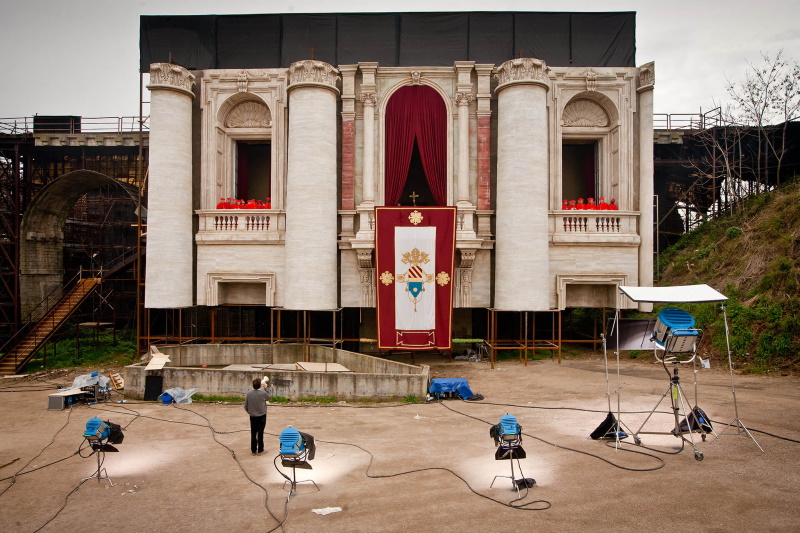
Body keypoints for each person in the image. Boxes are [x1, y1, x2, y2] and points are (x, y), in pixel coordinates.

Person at [244, 377, 270, 455]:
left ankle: (253, 450)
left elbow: (245, 406)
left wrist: (250, 412)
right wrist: (265, 388)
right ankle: (260, 450)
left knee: (253, 432)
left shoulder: (249, 393)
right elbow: (268, 397)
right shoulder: (263, 393)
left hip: (252, 416)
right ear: (260, 385)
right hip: (262, 416)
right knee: (260, 433)